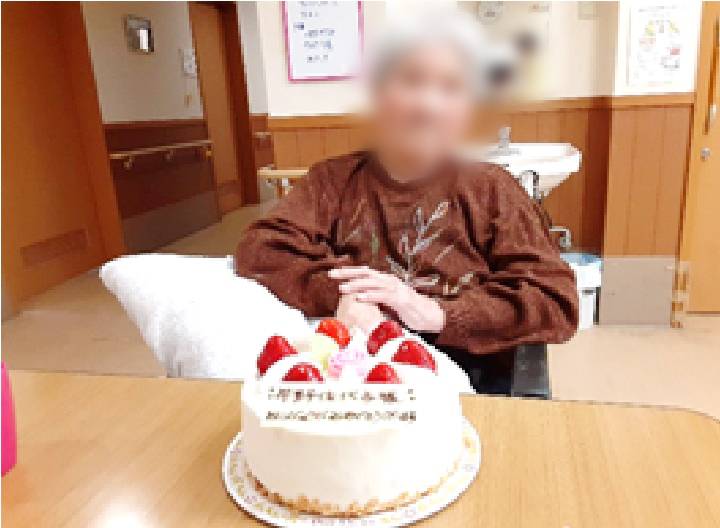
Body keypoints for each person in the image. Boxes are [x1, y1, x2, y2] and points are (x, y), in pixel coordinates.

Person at [235, 12, 578, 394]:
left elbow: (555, 301)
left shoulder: (493, 189)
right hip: (355, 382)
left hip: (469, 383)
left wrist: (435, 313)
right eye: (411, 81)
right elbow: (260, 249)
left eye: (451, 88)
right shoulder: (330, 182)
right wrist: (345, 293)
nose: (428, 105)